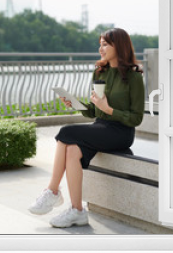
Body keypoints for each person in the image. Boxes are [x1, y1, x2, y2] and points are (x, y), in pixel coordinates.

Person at [28, 28, 145, 228]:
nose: (101, 48)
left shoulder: (134, 77)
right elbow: (94, 111)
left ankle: (53, 191)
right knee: (72, 150)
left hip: (121, 132)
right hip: (101, 127)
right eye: (100, 44)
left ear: (120, 46)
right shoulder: (100, 72)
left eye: (106, 44)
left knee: (66, 132)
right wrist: (77, 105)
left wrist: (108, 109)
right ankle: (77, 211)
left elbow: (136, 118)